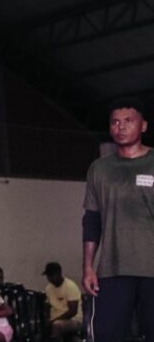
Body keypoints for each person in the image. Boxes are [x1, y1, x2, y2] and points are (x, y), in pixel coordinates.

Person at [83, 96, 154, 342]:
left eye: (128, 121)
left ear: (143, 125)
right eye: (115, 122)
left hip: (152, 269)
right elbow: (91, 220)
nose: (120, 127)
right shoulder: (99, 168)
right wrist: (88, 267)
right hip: (112, 269)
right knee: (107, 335)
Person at [42, 262, 82, 341]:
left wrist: (54, 320)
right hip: (54, 320)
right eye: (48, 276)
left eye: (52, 275)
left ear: (59, 273)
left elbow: (73, 311)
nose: (50, 278)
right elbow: (48, 306)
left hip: (73, 320)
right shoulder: (48, 288)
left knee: (56, 325)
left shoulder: (70, 286)